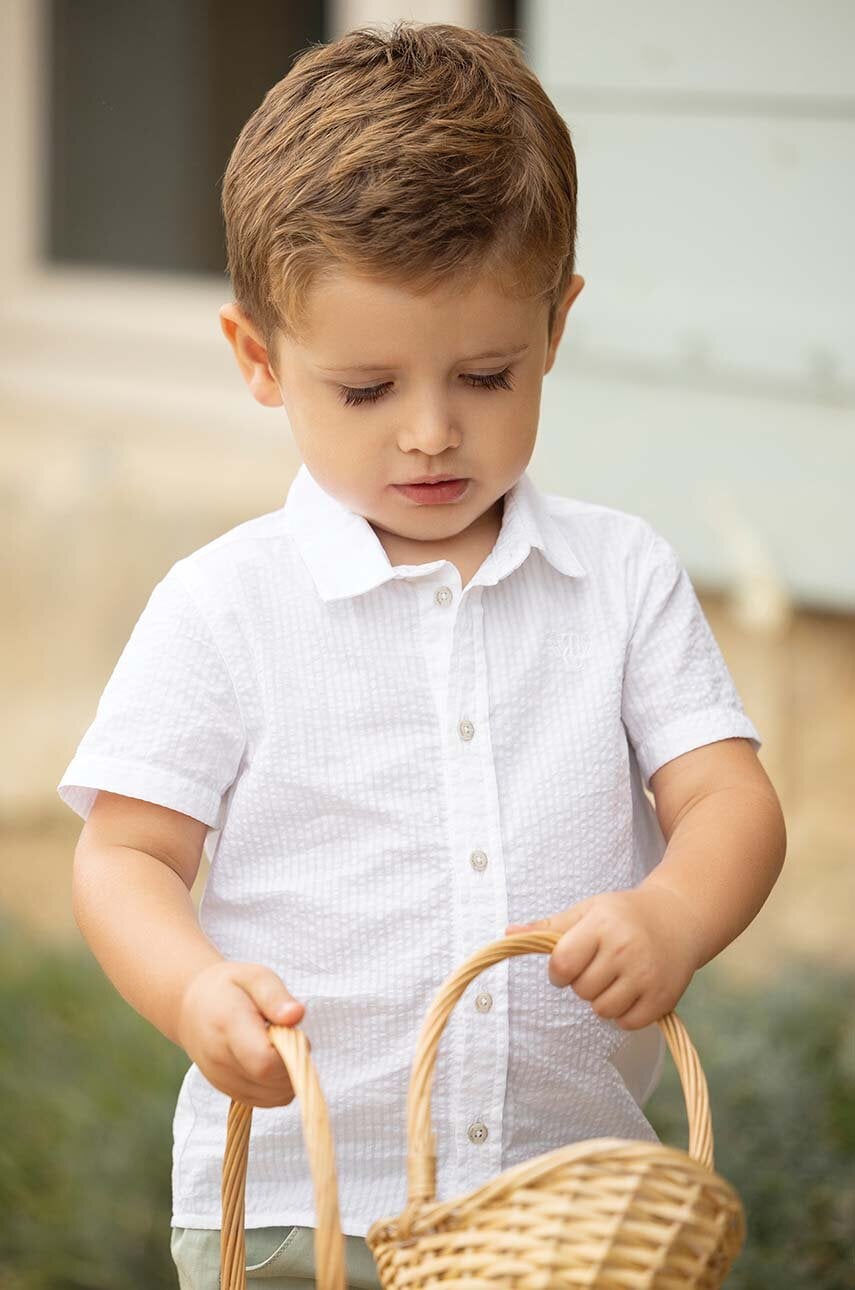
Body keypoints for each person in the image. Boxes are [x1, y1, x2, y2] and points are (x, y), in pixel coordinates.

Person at [58, 20, 787, 1290]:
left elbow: (728, 799)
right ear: (258, 360)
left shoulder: (619, 579)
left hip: (565, 1208)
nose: (431, 434)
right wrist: (191, 992)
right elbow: (127, 855)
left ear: (556, 327)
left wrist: (674, 912)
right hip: (304, 1203)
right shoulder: (224, 607)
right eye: (366, 390)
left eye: (487, 376)